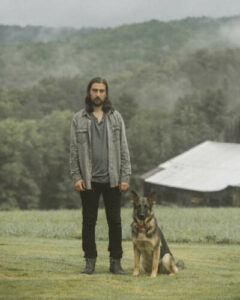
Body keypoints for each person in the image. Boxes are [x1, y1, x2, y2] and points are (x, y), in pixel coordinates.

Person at [70, 77, 131, 275]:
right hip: (88, 181)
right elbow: (73, 152)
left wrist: (125, 176)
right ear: (89, 93)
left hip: (113, 179)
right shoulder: (78, 119)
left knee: (115, 221)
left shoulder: (116, 117)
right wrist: (76, 176)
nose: (98, 94)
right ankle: (90, 261)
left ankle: (116, 262)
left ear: (106, 93)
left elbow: (124, 148)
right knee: (89, 221)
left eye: (102, 91)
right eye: (95, 90)